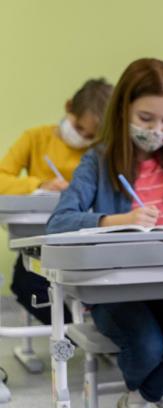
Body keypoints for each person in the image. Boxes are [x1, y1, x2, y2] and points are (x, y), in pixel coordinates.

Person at [47, 58, 163, 408]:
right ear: (122, 111)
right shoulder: (98, 160)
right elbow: (60, 221)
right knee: (146, 345)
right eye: (146, 119)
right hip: (115, 288)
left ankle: (142, 397)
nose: (157, 130)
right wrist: (118, 220)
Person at [1, 78, 111, 324]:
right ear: (69, 107)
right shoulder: (35, 138)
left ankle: (98, 328)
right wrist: (38, 184)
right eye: (79, 128)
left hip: (87, 242)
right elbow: (1, 177)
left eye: (91, 136)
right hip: (41, 241)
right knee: (26, 285)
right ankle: (74, 331)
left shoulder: (102, 153)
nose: (82, 138)